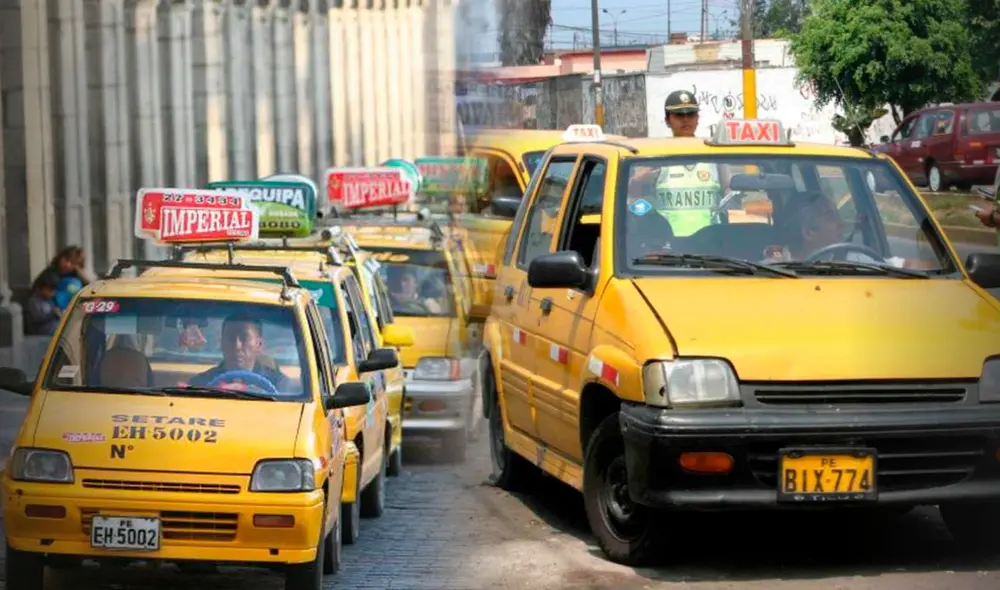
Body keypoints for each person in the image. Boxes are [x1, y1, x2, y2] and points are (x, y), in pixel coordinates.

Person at [188, 312, 288, 391]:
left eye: (244, 338)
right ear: (221, 343)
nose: (237, 346)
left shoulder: (281, 385)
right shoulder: (200, 384)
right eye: (231, 338)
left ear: (259, 344)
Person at [23, 270, 61, 336]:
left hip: (50, 329)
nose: (53, 294)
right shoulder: (33, 301)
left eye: (54, 291)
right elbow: (36, 318)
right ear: (41, 288)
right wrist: (52, 313)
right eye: (50, 290)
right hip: (40, 332)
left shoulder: (47, 301)